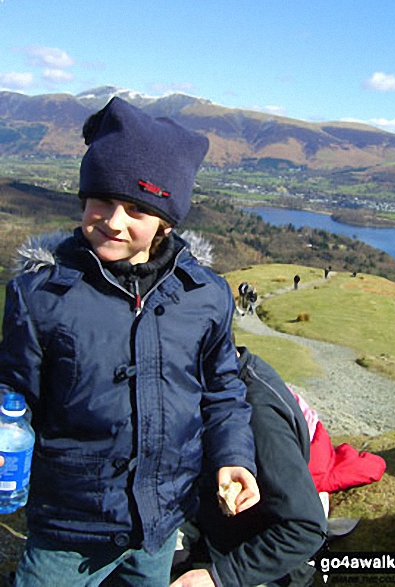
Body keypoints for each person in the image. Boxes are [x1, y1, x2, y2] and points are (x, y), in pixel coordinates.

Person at [0, 97, 259, 587]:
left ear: (167, 218)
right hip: (67, 528)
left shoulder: (204, 296)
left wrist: (233, 458)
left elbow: (223, 390)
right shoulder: (40, 295)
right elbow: (13, 397)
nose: (114, 220)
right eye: (101, 198)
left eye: (138, 207)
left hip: (158, 528)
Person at [172, 345, 327, 587]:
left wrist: (218, 577)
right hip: (218, 538)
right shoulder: (234, 376)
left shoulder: (258, 417)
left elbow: (306, 526)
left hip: (260, 571)